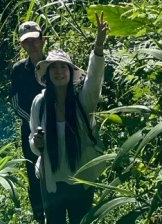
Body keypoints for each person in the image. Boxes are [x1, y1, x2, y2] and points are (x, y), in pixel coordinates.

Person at [29, 15, 110, 224]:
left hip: (81, 179)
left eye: (63, 67)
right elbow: (34, 143)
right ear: (47, 74)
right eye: (53, 68)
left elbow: (94, 79)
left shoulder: (83, 102)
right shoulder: (40, 103)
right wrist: (37, 143)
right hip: (52, 180)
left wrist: (98, 46)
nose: (58, 72)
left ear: (70, 72)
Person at [10, 21, 47, 223]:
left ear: (43, 40)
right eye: (27, 42)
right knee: (34, 174)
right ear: (22, 45)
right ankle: (40, 217)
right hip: (30, 132)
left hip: (58, 126)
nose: (32, 45)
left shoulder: (54, 64)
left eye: (35, 40)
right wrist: (34, 122)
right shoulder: (18, 70)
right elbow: (15, 103)